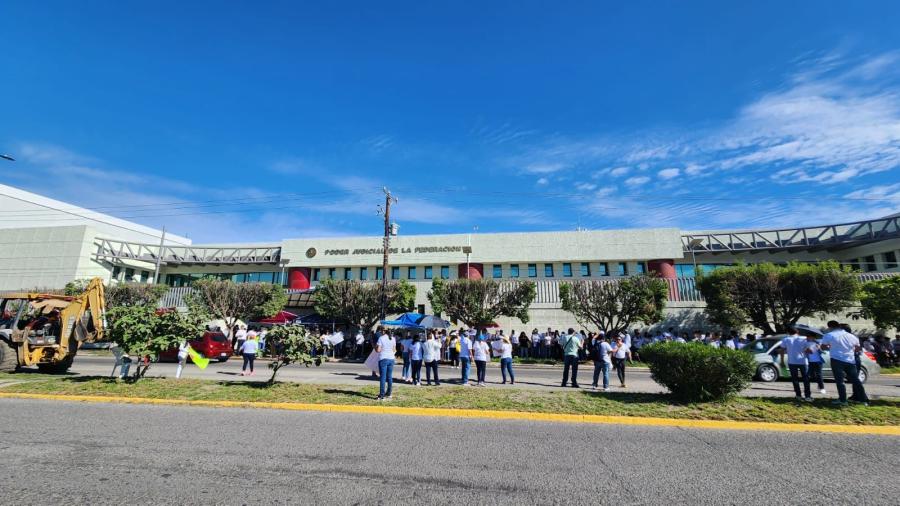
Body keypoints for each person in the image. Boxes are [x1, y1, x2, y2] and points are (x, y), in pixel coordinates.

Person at [821, 321, 868, 406]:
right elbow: (858, 348)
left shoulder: (829, 335)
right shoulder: (852, 336)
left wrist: (830, 346)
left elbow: (823, 347)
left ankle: (843, 400)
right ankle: (863, 400)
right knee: (856, 381)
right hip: (850, 360)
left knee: (840, 381)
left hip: (837, 360)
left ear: (830, 327)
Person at [780, 327, 812, 401]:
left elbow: (782, 350)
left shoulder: (786, 339)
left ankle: (798, 395)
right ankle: (808, 396)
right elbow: (809, 350)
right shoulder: (803, 339)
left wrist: (782, 361)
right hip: (803, 361)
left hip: (792, 361)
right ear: (797, 332)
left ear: (788, 332)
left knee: (795, 379)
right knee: (806, 379)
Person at [375, 329, 396, 401]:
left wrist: (375, 347)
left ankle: (381, 395)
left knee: (383, 378)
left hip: (383, 358)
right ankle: (389, 393)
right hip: (391, 359)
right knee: (389, 377)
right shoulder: (393, 338)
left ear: (384, 332)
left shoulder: (381, 338)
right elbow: (394, 350)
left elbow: (378, 350)